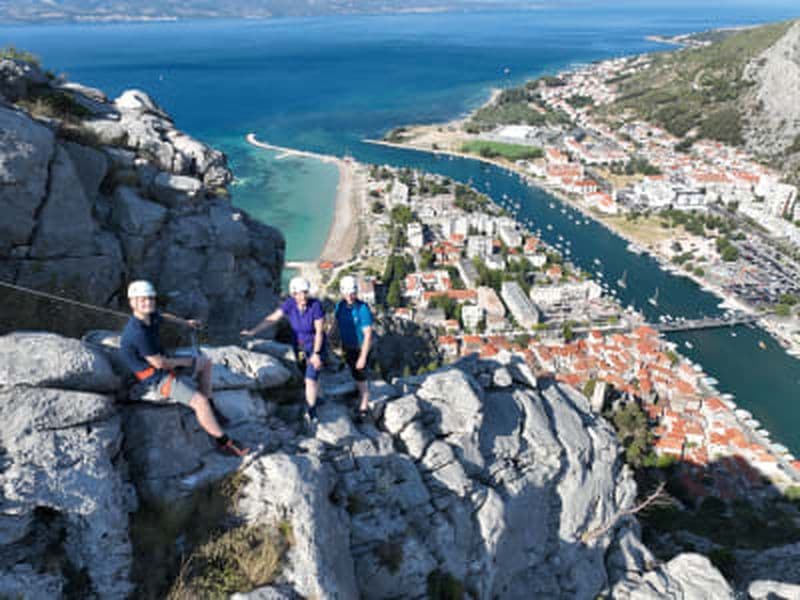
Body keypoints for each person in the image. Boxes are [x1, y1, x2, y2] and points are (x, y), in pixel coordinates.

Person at [120, 280, 249, 457]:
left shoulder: (150, 316)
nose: (148, 302)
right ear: (132, 302)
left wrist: (185, 322)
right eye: (142, 299)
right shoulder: (137, 332)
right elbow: (160, 364)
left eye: (150, 298)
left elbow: (163, 316)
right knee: (198, 402)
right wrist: (187, 362)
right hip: (154, 379)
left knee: (206, 362)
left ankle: (212, 408)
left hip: (164, 366)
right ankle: (224, 443)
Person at [241, 276, 326, 429]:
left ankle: (311, 411)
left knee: (310, 378)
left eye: (305, 292)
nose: (303, 296)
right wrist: (253, 332)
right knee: (305, 372)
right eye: (300, 293)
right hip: (299, 346)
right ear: (293, 294)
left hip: (315, 345)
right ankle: (318, 395)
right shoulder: (290, 305)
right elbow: (272, 319)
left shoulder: (316, 306)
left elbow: (319, 332)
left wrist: (317, 353)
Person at [333, 275, 374, 422]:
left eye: (353, 293)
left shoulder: (362, 308)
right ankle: (359, 391)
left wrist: (363, 357)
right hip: (347, 346)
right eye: (347, 293)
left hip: (360, 347)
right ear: (343, 293)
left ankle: (364, 405)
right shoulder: (340, 306)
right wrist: (332, 340)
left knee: (360, 375)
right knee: (353, 371)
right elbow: (336, 325)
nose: (350, 296)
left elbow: (368, 335)